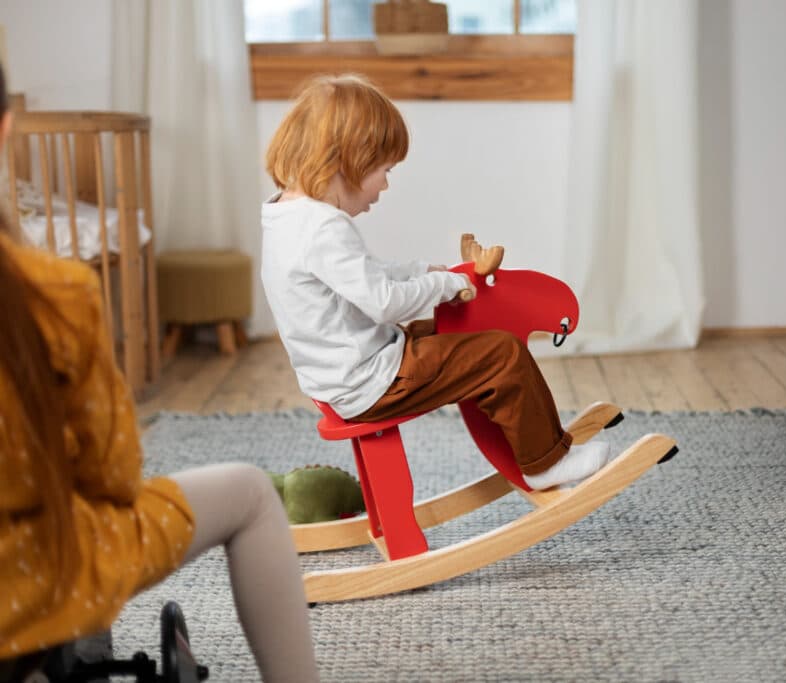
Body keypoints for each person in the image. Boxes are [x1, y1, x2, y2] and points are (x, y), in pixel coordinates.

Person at [0, 64, 320, 682]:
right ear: (9, 128)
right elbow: (114, 475)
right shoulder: (53, 292)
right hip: (29, 581)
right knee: (252, 492)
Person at [261, 74, 610, 491]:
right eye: (384, 170)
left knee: (456, 332)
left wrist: (421, 272)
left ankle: (528, 438)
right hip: (372, 382)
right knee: (502, 352)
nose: (386, 185)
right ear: (349, 161)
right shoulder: (323, 227)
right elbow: (384, 302)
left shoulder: (287, 219)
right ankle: (544, 463)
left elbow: (360, 275)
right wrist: (444, 286)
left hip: (349, 374)